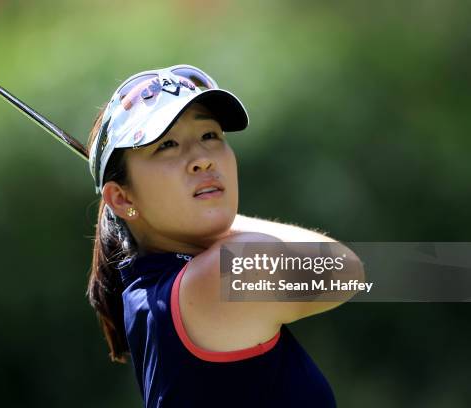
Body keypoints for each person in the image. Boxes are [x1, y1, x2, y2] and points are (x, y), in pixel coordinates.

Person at [85, 65, 361, 407]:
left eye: (209, 136)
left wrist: (205, 214)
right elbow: (346, 272)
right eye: (167, 144)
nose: (201, 159)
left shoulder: (153, 287)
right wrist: (220, 219)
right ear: (123, 198)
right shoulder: (223, 277)